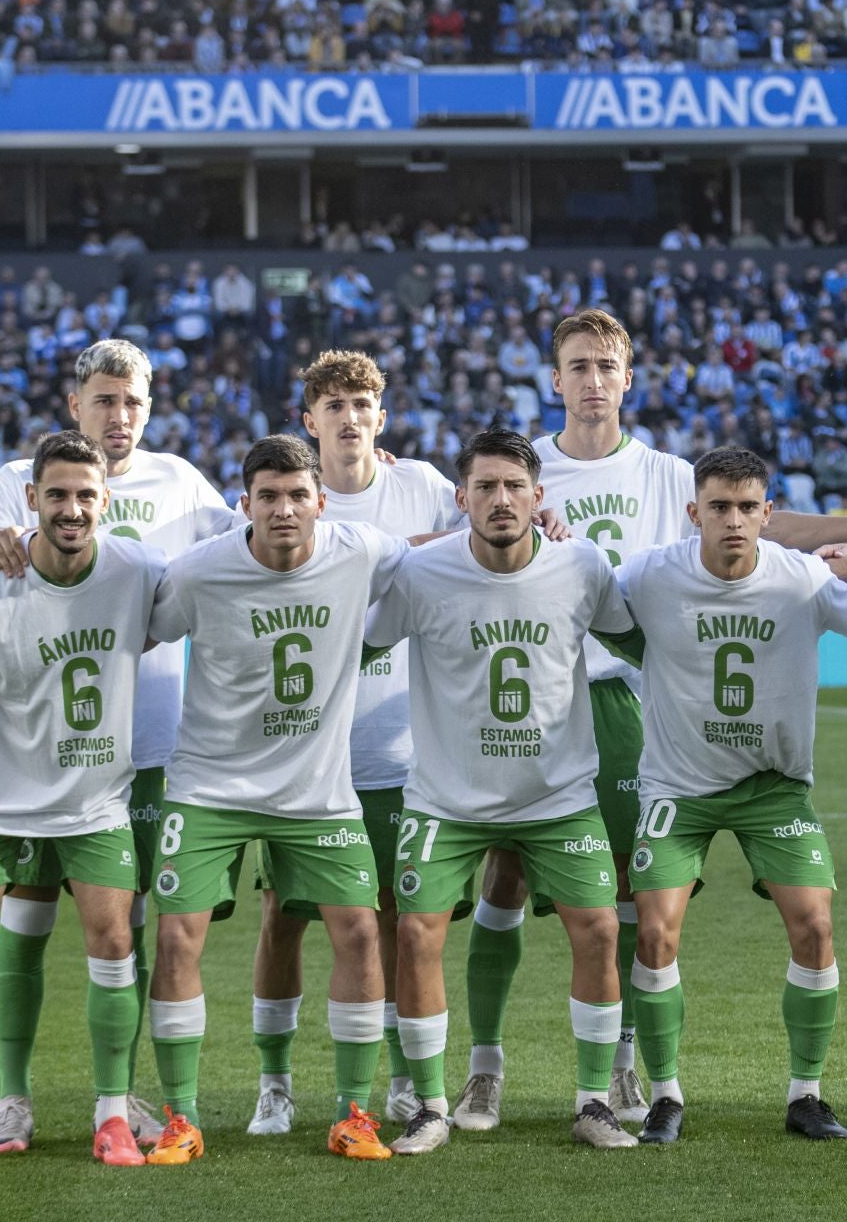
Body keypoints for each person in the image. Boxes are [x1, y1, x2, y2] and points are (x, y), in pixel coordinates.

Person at [457, 311, 847, 1133]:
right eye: (578, 366)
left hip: (628, 698)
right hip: (532, 694)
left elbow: (768, 530)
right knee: (505, 878)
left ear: (628, 378)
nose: (593, 379)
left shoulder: (672, 475)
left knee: (639, 901)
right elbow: (456, 534)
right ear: (553, 378)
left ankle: (632, 1063)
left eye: (607, 365)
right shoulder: (521, 472)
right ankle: (484, 1070)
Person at [0, 339, 239, 1151]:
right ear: (75, 405)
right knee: (27, 922)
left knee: (124, 926)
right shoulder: (21, 478)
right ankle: (12, 1097)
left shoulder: (181, 482)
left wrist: (359, 477)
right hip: (35, 750)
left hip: (151, 743)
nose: (119, 416)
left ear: (151, 408)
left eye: (133, 403)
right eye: (104, 400)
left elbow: (255, 530)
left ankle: (122, 1093)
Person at [363, 428, 641, 1154]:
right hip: (446, 798)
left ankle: (592, 1102)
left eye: (515, 486)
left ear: (539, 496)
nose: (500, 499)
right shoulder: (423, 574)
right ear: (462, 500)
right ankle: (428, 1106)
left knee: (601, 928)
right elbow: (357, 647)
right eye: (484, 487)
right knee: (419, 931)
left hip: (557, 796)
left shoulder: (582, 565)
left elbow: (642, 640)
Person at [142, 434, 409, 1165]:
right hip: (209, 785)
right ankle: (181, 1116)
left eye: (298, 494)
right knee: (176, 937)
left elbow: (432, 549)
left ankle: (355, 1112)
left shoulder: (359, 549)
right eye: (269, 496)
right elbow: (138, 629)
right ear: (245, 505)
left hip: (316, 791)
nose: (284, 509)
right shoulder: (199, 572)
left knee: (358, 930)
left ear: (322, 501)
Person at [0, 431, 165, 1171]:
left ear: (106, 502)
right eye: (56, 495)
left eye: (85, 496)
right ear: (31, 499)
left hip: (95, 805)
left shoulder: (137, 571)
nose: (71, 509)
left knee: (117, 940)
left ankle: (113, 1116)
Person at [243, 352, 464, 1137]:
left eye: (361, 401)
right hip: (308, 755)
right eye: (331, 404)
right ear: (309, 420)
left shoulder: (429, 485)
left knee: (406, 919)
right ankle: (274, 1083)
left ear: (382, 413)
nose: (348, 415)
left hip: (405, 752)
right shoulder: (289, 494)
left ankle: (405, 1078)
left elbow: (489, 541)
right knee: (285, 915)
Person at [619, 447, 847, 1144]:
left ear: (767, 513)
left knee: (815, 926)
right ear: (694, 512)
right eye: (719, 507)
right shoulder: (648, 575)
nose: (733, 520)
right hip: (677, 784)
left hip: (773, 789)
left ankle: (807, 1095)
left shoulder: (804, 580)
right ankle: (664, 1094)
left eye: (747, 507)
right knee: (656, 929)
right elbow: (591, 602)